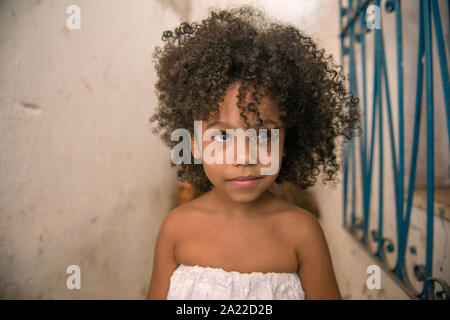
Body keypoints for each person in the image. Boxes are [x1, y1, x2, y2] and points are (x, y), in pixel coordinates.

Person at [147, 5, 361, 300]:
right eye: (222, 136)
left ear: (288, 142)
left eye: (263, 135)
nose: (244, 156)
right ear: (194, 143)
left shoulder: (303, 233)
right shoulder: (176, 229)